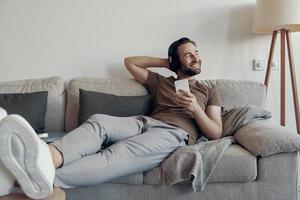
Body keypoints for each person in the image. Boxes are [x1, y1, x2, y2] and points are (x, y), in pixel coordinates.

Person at [0, 37, 222, 199]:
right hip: (144, 122)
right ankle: (44, 156)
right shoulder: (161, 82)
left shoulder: (209, 90)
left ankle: (38, 181)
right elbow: (130, 62)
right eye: (188, 54)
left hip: (173, 134)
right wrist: (167, 62)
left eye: (197, 52)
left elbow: (216, 132)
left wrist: (196, 110)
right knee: (99, 122)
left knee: (115, 155)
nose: (196, 58)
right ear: (177, 62)